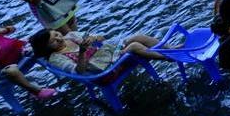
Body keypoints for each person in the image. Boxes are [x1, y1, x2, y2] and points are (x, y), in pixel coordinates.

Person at [30, 28, 170, 74]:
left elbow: (102, 39)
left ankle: (171, 50)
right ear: (46, 48)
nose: (59, 39)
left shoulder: (71, 36)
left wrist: (94, 38)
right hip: (104, 68)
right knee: (133, 46)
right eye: (53, 41)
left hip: (109, 52)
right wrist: (82, 52)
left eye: (56, 34)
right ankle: (169, 58)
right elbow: (79, 71)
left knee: (138, 37)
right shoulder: (56, 58)